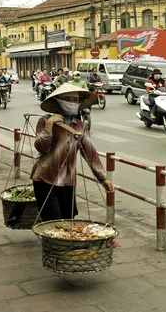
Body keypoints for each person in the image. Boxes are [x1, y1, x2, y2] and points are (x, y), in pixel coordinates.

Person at [31, 83, 113, 221]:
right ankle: (51, 242)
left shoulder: (80, 126)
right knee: (52, 220)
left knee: (68, 218)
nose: (72, 103)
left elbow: (90, 153)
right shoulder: (44, 121)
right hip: (45, 177)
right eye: (68, 99)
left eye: (75, 100)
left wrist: (102, 178)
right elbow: (41, 147)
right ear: (59, 102)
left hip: (68, 180)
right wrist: (50, 125)